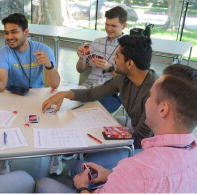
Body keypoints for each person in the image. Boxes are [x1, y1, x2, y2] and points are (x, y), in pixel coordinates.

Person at [36, 64, 197, 193]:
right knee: (81, 167)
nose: (147, 101)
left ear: (163, 109)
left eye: (151, 96)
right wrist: (110, 174)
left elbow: (138, 176)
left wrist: (83, 187)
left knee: (43, 184)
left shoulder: (135, 169)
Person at [0, 13, 61, 176]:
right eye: (6, 33)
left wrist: (49, 65)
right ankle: (4, 158)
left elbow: (55, 84)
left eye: (14, 32)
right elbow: (1, 85)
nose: (9, 37)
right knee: (3, 125)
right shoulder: (3, 53)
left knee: (52, 121)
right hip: (11, 96)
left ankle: (55, 155)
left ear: (26, 33)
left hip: (37, 95)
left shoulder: (43, 50)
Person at [43, 35, 159, 170]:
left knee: (81, 168)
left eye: (117, 57)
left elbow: (140, 140)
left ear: (129, 64)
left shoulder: (155, 93)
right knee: (91, 135)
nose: (114, 60)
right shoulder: (124, 78)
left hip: (149, 147)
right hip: (135, 133)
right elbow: (92, 94)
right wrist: (65, 94)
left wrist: (103, 138)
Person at [76, 6, 127, 113]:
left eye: (113, 25)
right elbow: (80, 70)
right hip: (88, 87)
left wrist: (110, 68)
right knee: (70, 109)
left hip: (109, 93)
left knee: (90, 115)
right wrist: (81, 59)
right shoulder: (97, 42)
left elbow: (126, 81)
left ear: (124, 26)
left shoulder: (128, 47)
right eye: (107, 24)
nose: (108, 28)